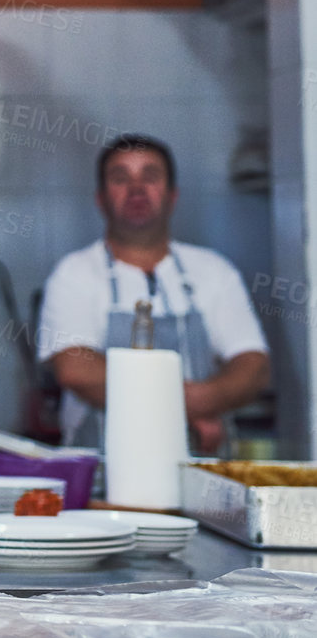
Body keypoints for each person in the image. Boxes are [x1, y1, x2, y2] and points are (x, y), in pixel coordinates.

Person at [37, 134, 270, 451]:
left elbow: (253, 367)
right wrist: (188, 407)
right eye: (121, 178)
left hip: (204, 477)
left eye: (150, 176)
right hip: (101, 480)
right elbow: (77, 371)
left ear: (172, 196)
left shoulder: (215, 271)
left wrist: (189, 401)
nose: (136, 189)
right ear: (101, 198)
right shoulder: (74, 273)